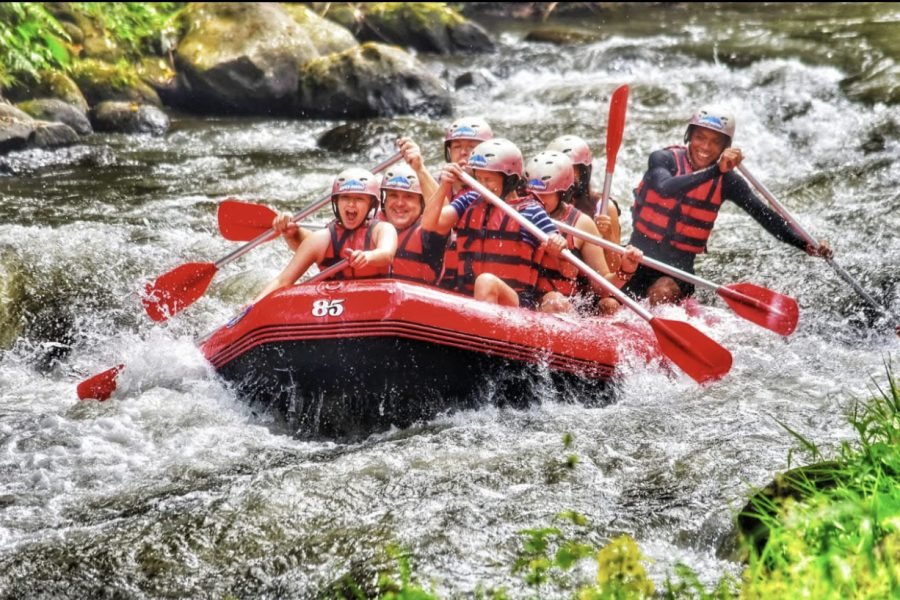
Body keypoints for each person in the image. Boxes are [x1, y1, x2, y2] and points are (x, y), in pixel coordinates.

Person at [625, 105, 831, 305]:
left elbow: (765, 215)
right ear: (689, 136)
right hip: (636, 261)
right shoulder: (663, 159)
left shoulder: (728, 182)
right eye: (700, 137)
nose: (705, 147)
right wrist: (716, 170)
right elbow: (665, 187)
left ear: (725, 147)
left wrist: (805, 243)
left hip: (677, 273)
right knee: (607, 304)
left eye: (715, 142)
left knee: (661, 292)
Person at [422, 138, 568, 308]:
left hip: (516, 303)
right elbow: (429, 225)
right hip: (468, 298)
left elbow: (568, 269)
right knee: (482, 283)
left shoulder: (531, 212)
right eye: (479, 179)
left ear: (510, 180)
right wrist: (444, 186)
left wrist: (559, 245)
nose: (482, 186)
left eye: (489, 179)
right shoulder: (470, 200)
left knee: (486, 282)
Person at [251, 167, 397, 303]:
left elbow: (386, 254)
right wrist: (253, 305)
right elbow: (283, 281)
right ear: (336, 202)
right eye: (345, 198)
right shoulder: (321, 239)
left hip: (377, 304)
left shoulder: (383, 229)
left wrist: (367, 256)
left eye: (359, 199)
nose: (351, 204)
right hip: (333, 307)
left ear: (371, 205)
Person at [525, 151, 643, 314]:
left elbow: (602, 288)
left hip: (564, 306)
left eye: (546, 194)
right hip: (524, 301)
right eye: (532, 193)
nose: (537, 199)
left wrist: (625, 270)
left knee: (606, 304)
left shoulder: (581, 224)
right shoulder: (517, 213)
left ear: (562, 192)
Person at [397, 117, 495, 291]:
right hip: (437, 267)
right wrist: (419, 169)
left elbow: (443, 219)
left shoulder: (497, 190)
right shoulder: (432, 180)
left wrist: (420, 169)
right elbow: (434, 222)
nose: (463, 153)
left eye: (471, 147)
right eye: (457, 147)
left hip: (477, 276)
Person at [546, 134, 623, 273]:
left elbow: (615, 270)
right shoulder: (540, 202)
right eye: (559, 170)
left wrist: (608, 237)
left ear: (583, 172)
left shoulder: (604, 208)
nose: (565, 176)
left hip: (587, 286)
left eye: (571, 169)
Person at [378, 161, 448, 285]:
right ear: (384, 200)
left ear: (421, 203)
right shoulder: (369, 226)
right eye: (393, 195)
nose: (400, 203)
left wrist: (420, 168)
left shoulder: (429, 234)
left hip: (419, 301)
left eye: (409, 197)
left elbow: (444, 213)